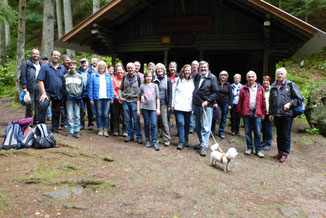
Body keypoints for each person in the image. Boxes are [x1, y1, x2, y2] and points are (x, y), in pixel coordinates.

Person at [269, 67, 304, 163]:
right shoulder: (273, 86)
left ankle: (285, 153)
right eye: (278, 74)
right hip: (277, 114)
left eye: (281, 74)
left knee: (286, 134)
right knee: (279, 134)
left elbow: (299, 98)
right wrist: (271, 113)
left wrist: (290, 104)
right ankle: (280, 152)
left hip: (287, 114)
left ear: (285, 75)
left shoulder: (290, 84)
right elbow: (271, 101)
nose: (280, 75)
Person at [237, 71, 266, 158]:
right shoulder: (243, 88)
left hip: (257, 113)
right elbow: (240, 102)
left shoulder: (260, 88)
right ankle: (249, 148)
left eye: (252, 76)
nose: (251, 78)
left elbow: (264, 102)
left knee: (257, 132)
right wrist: (239, 113)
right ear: (246, 78)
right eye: (249, 77)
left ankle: (258, 150)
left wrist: (263, 112)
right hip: (246, 113)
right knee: (247, 132)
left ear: (256, 78)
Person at [193, 61, 218, 156]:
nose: (203, 69)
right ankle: (201, 142)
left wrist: (207, 101)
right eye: (201, 67)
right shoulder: (198, 76)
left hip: (206, 106)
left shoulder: (212, 78)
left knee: (205, 126)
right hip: (197, 104)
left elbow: (215, 92)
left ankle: (204, 145)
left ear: (208, 67)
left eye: (204, 67)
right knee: (198, 126)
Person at [37, 50, 66, 133]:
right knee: (43, 105)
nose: (56, 57)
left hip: (58, 93)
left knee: (56, 111)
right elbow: (40, 80)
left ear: (59, 57)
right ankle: (41, 127)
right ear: (51, 56)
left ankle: (55, 129)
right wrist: (43, 93)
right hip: (47, 92)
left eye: (58, 55)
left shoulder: (62, 68)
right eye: (55, 55)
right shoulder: (45, 67)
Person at [171, 64, 195, 150]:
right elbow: (173, 93)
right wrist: (172, 105)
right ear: (183, 71)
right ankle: (181, 141)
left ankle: (186, 140)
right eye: (186, 70)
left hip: (189, 106)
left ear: (191, 71)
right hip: (179, 105)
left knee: (187, 124)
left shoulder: (193, 81)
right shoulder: (177, 80)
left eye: (189, 70)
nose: (187, 72)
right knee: (181, 123)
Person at [119, 62, 143, 143]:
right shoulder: (124, 77)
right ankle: (130, 136)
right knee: (128, 119)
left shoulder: (139, 78)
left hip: (135, 101)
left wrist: (138, 99)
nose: (130, 69)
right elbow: (120, 88)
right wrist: (120, 97)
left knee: (136, 120)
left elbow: (142, 89)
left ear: (134, 68)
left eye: (131, 68)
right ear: (126, 69)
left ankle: (139, 136)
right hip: (125, 101)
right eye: (128, 68)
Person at [89, 61, 114, 137]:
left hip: (107, 97)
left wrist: (112, 97)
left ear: (105, 68)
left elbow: (111, 87)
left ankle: (105, 129)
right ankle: (100, 128)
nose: (101, 69)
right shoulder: (93, 75)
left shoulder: (108, 76)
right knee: (99, 113)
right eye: (100, 67)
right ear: (98, 68)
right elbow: (91, 88)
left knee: (105, 114)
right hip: (97, 97)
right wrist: (91, 98)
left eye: (103, 68)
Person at [137, 71, 160, 150]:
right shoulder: (142, 86)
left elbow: (157, 98)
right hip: (144, 108)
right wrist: (138, 109)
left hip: (153, 108)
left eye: (150, 76)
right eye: (147, 76)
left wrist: (158, 108)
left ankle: (154, 141)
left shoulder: (155, 86)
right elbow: (139, 98)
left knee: (153, 124)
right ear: (145, 77)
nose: (148, 78)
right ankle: (147, 139)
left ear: (152, 77)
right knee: (146, 124)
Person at [19, 49, 42, 125]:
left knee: (38, 105)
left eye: (37, 54)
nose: (35, 55)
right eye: (34, 54)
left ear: (39, 55)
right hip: (29, 87)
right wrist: (24, 87)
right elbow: (22, 76)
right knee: (29, 106)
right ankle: (27, 124)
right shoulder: (26, 63)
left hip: (39, 87)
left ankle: (36, 123)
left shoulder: (41, 64)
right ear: (31, 54)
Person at [63, 60, 83, 138]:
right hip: (69, 98)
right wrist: (67, 93)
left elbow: (81, 87)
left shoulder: (79, 76)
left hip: (77, 97)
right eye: (71, 65)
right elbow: (64, 87)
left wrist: (79, 94)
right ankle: (70, 131)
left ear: (76, 66)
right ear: (69, 66)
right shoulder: (65, 76)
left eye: (74, 65)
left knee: (77, 115)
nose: (72, 67)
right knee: (69, 115)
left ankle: (77, 131)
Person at [153, 63, 172, 147]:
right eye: (158, 69)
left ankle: (167, 139)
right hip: (153, 104)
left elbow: (170, 93)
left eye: (161, 69)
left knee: (164, 122)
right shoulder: (153, 79)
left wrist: (169, 104)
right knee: (155, 122)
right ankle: (155, 138)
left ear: (164, 70)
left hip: (163, 104)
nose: (160, 70)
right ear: (156, 70)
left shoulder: (167, 80)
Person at [213, 71, 233, 139]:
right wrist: (214, 102)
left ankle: (221, 132)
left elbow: (231, 95)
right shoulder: (216, 83)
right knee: (215, 117)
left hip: (225, 103)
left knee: (224, 118)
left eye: (225, 75)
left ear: (226, 77)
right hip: (217, 103)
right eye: (222, 75)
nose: (223, 76)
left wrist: (230, 104)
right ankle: (212, 131)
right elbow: (213, 93)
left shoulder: (228, 85)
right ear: (220, 76)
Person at [77, 58, 94, 130]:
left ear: (88, 63)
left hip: (89, 93)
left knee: (90, 109)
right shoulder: (77, 71)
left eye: (85, 62)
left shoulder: (92, 71)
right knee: (81, 110)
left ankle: (90, 124)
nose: (84, 64)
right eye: (82, 63)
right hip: (81, 93)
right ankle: (81, 124)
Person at [112, 65, 127, 137]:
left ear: (123, 71)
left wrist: (122, 97)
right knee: (116, 115)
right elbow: (113, 89)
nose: (119, 71)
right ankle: (116, 130)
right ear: (116, 71)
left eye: (121, 70)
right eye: (118, 70)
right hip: (116, 100)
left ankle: (125, 131)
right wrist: (117, 97)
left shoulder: (126, 79)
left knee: (124, 116)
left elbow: (126, 89)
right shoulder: (114, 79)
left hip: (124, 100)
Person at [261, 75, 273, 150]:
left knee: (269, 128)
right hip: (262, 112)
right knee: (263, 128)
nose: (265, 82)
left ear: (269, 82)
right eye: (264, 80)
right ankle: (264, 141)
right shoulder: (261, 89)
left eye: (267, 80)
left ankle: (268, 143)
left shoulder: (272, 90)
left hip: (270, 112)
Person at [189, 60, 199, 134]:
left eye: (196, 64)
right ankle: (191, 126)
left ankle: (198, 126)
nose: (194, 66)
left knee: (198, 111)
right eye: (193, 65)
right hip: (191, 94)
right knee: (191, 111)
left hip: (199, 95)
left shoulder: (200, 74)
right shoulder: (189, 74)